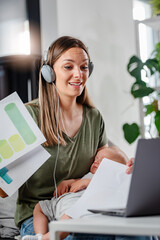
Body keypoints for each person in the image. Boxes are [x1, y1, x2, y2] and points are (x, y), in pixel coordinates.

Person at [0, 36, 143, 240]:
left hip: (80, 209)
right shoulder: (27, 117)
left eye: (84, 67)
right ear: (49, 73)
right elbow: (3, 190)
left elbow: (110, 164)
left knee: (138, 235)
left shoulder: (94, 118)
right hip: (38, 215)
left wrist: (129, 169)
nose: (78, 75)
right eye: (68, 67)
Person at [22, 148, 107, 240]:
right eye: (96, 158)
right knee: (39, 207)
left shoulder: (108, 179)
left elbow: (111, 186)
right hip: (57, 204)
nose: (96, 162)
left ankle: (45, 238)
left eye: (102, 160)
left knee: (69, 217)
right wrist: (69, 182)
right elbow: (77, 181)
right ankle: (39, 235)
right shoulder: (88, 175)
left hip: (75, 206)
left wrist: (90, 182)